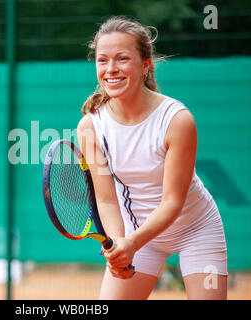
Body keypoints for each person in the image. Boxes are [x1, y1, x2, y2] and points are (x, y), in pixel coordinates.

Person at [76, 16, 228, 300]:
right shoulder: (89, 127)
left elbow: (173, 201)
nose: (111, 69)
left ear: (145, 65)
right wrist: (119, 244)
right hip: (138, 235)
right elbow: (107, 199)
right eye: (102, 60)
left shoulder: (177, 121)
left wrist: (131, 243)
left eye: (122, 59)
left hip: (196, 229)